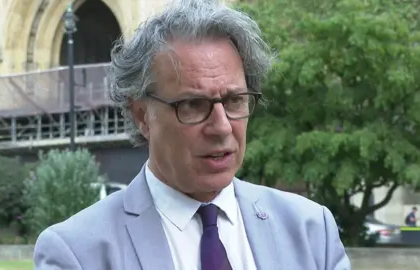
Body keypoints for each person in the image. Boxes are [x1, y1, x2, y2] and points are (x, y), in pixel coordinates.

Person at [33, 0, 351, 269]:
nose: (222, 126)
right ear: (142, 115)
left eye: (234, 100)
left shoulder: (311, 231)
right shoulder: (76, 253)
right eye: (193, 105)